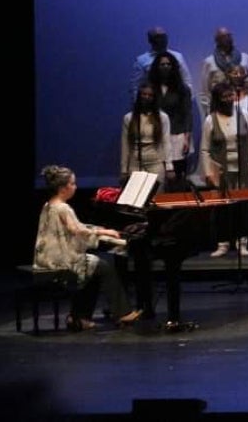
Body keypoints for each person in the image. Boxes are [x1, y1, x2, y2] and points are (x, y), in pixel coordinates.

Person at [34, 165, 140, 331]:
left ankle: (78, 317)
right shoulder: (63, 208)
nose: (75, 187)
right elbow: (77, 230)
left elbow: (76, 227)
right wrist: (103, 231)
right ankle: (122, 313)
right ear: (63, 188)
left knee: (95, 270)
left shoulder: (49, 205)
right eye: (73, 184)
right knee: (104, 266)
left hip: (46, 257)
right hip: (60, 260)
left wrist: (99, 232)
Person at [201, 82, 248, 256]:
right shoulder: (210, 120)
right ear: (218, 99)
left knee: (242, 206)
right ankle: (223, 243)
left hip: (244, 167)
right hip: (221, 170)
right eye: (225, 96)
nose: (229, 99)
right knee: (223, 207)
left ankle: (242, 242)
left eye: (230, 95)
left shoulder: (243, 114)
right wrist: (208, 173)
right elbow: (205, 149)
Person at [147, 52, 193, 190]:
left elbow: (187, 113)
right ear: (157, 67)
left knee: (176, 174)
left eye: (168, 64)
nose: (166, 67)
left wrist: (187, 137)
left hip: (177, 134)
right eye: (162, 64)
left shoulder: (182, 88)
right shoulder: (150, 88)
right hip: (155, 134)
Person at [121, 82, 173, 183]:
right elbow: (125, 145)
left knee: (156, 196)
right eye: (144, 94)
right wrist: (123, 170)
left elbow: (166, 142)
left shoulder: (163, 117)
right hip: (135, 163)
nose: (146, 97)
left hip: (155, 162)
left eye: (150, 95)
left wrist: (169, 166)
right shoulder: (129, 118)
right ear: (139, 96)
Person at [199, 27, 248, 119]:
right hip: (219, 109)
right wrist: (209, 112)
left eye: (229, 36)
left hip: (242, 106)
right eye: (223, 37)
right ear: (217, 40)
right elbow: (205, 91)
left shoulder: (245, 58)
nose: (227, 39)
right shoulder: (209, 62)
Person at [131, 26, 192, 100]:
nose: (162, 39)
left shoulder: (177, 56)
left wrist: (188, 99)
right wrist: (138, 104)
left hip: (175, 102)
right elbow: (137, 86)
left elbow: (186, 79)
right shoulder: (142, 60)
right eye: (158, 37)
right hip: (153, 101)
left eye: (164, 36)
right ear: (150, 40)